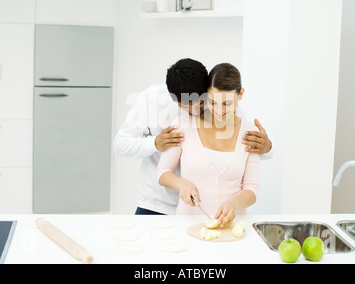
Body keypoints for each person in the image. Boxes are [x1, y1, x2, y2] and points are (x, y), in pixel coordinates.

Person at [114, 58, 272, 215]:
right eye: (186, 106)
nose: (195, 111)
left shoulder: (221, 106)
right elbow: (120, 144)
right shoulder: (151, 101)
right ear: (173, 99)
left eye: (202, 103)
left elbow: (245, 150)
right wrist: (155, 143)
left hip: (200, 210)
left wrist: (267, 147)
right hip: (156, 203)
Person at [157, 63, 259, 226]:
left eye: (227, 103)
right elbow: (163, 172)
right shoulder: (183, 125)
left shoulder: (250, 132)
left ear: (240, 94)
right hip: (186, 226)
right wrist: (181, 184)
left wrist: (234, 203)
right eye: (213, 102)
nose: (220, 111)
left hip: (233, 228)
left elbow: (251, 188)